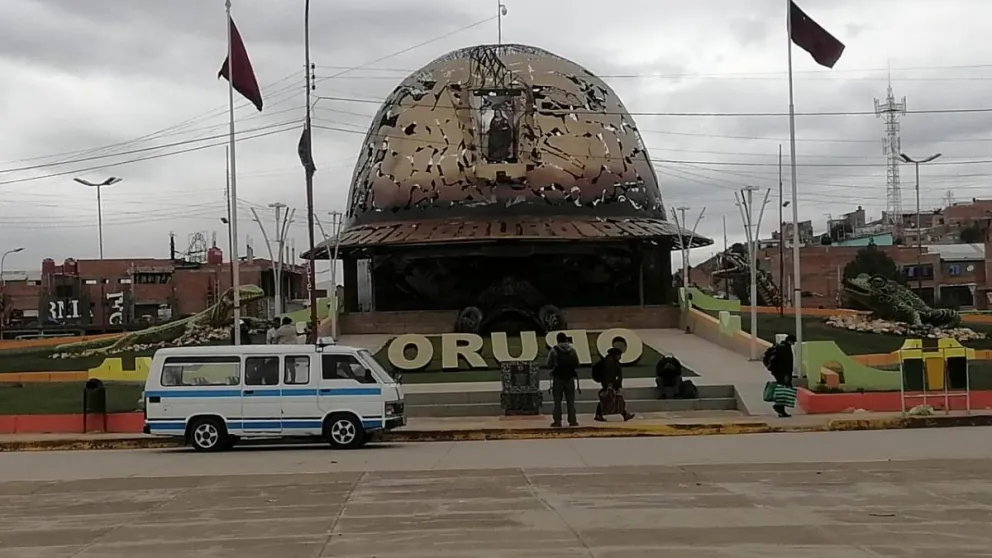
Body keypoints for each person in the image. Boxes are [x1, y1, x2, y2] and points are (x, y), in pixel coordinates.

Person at [545, 332, 580, 428]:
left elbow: (548, 363)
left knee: (557, 401)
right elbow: (577, 363)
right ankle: (572, 420)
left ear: (557, 339)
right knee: (571, 401)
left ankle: (557, 421)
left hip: (558, 377)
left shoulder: (554, 350)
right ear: (566, 339)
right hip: (570, 378)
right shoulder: (572, 350)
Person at [592, 347, 635, 422]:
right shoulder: (610, 362)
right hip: (610, 384)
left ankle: (599, 415)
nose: (620, 357)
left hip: (610, 383)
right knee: (616, 399)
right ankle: (624, 414)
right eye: (619, 355)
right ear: (616, 355)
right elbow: (610, 373)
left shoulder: (609, 360)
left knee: (609, 399)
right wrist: (610, 384)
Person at [764, 334, 797, 418]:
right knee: (784, 390)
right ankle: (779, 407)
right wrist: (786, 374)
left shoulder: (781, 347)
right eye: (793, 341)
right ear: (789, 341)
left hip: (780, 372)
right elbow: (785, 363)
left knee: (783, 390)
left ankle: (781, 410)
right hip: (783, 373)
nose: (793, 343)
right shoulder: (784, 349)